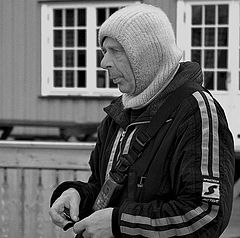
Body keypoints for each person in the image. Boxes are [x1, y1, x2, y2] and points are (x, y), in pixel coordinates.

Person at [49, 3, 235, 238]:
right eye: (104, 50)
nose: (103, 62)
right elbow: (105, 190)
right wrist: (76, 195)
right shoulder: (118, 115)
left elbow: (206, 214)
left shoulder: (196, 111)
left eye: (115, 50)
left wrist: (120, 224)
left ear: (146, 55)